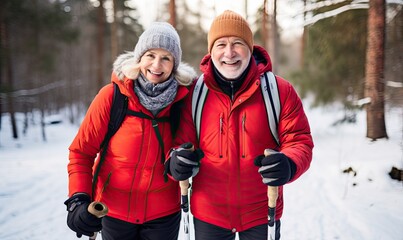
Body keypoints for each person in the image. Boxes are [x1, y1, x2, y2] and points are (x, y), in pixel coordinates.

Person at [167, 10, 314, 240]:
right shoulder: (195, 93)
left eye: (237, 43)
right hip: (209, 216)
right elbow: (179, 144)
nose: (229, 52)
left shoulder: (278, 91)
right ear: (211, 51)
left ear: (250, 48)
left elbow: (299, 140)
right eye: (221, 44)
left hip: (262, 212)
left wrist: (289, 164)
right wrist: (177, 161)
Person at [64, 22, 197, 240]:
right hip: (113, 212)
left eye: (166, 58)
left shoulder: (183, 101)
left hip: (163, 216)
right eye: (150, 55)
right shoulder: (112, 97)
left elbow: (189, 147)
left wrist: (183, 161)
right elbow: (81, 152)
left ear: (174, 64)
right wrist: (78, 198)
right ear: (139, 58)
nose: (157, 64)